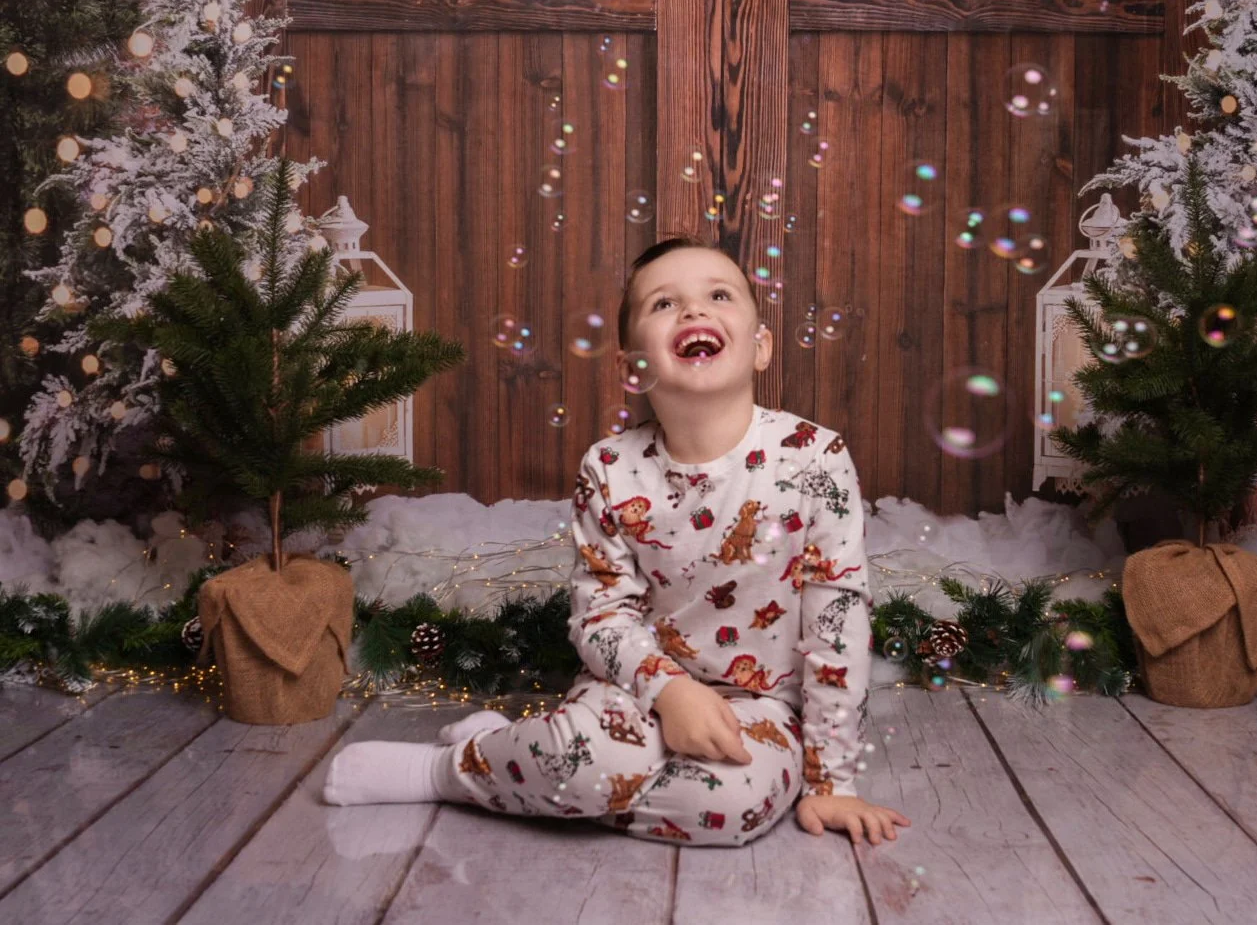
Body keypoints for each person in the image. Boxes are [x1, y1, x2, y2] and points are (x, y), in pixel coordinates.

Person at [323, 236, 911, 848]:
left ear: (760, 347)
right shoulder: (610, 467)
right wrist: (670, 690)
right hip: (636, 686)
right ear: (633, 364)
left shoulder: (816, 458)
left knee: (732, 806)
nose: (692, 312)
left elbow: (837, 626)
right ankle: (450, 768)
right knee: (588, 759)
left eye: (718, 295)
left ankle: (522, 764)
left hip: (764, 706)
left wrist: (830, 783)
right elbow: (600, 616)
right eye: (663, 304)